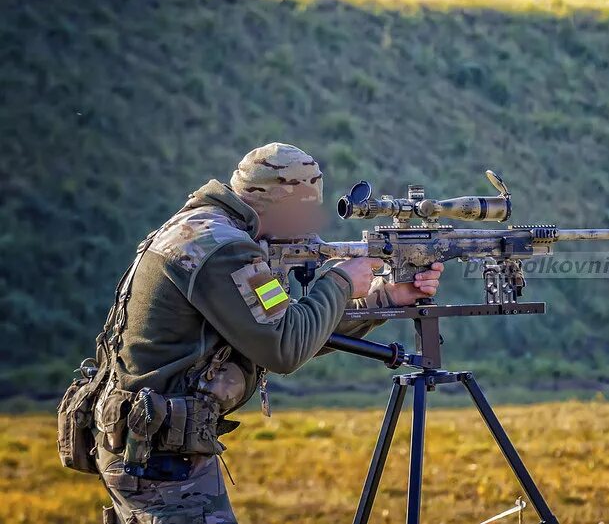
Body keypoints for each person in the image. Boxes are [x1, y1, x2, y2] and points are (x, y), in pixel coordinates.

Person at [86, 143, 443, 524]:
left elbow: (285, 328)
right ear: (283, 206)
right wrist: (340, 281)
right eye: (307, 211)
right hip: (158, 457)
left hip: (154, 444)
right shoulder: (222, 249)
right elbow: (283, 349)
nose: (313, 226)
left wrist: (384, 297)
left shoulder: (212, 231)